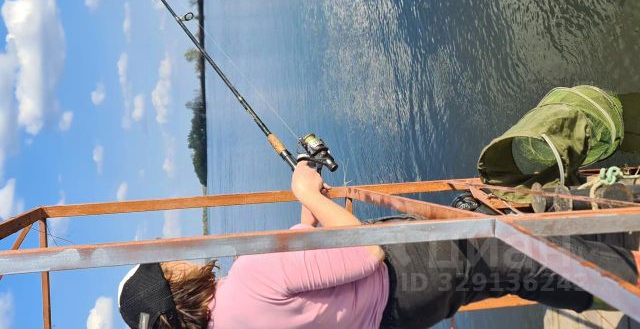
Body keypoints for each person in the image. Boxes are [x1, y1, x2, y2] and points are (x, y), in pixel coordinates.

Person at [118, 162, 640, 329]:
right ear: (172, 285)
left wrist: (307, 216)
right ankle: (629, 280)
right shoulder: (248, 275)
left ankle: (611, 283)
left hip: (402, 314)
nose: (175, 256)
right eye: (166, 264)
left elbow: (307, 294)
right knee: (526, 258)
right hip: (405, 272)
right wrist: (307, 192)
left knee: (508, 275)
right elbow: (365, 251)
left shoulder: (234, 315)